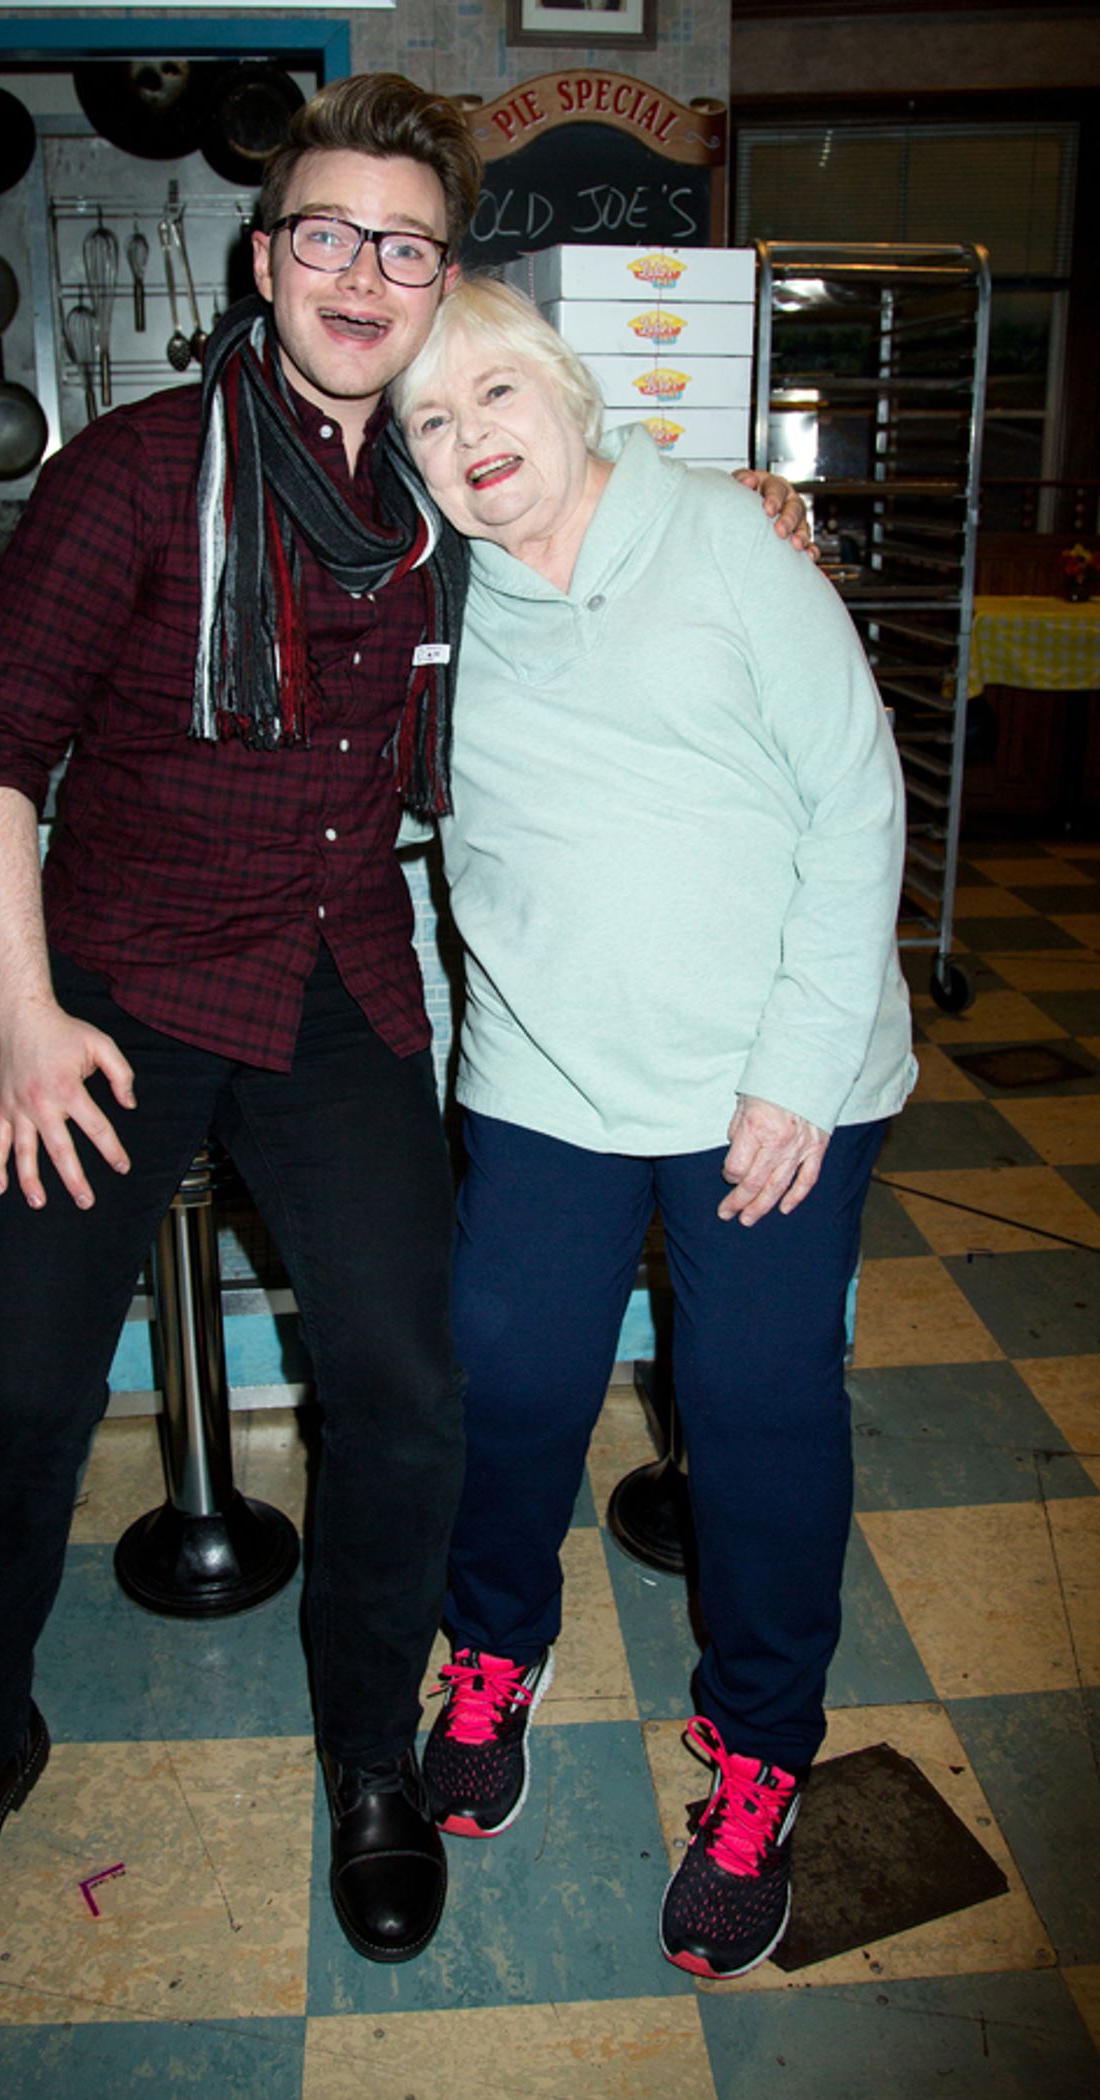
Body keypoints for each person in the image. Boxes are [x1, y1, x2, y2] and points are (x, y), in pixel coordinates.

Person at [0, 75, 807, 1997]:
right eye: (325, 235)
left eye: (402, 244)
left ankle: (374, 1754)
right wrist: (24, 1025)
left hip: (339, 981)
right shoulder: (130, 473)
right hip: (113, 985)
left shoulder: (448, 489)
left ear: (439, 276)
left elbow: (606, 534)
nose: (361, 274)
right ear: (262, 256)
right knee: (20, 1395)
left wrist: (744, 513)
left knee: (409, 1381)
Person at [391, 276, 916, 1980]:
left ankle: (761, 1747)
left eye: (492, 397)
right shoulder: (429, 598)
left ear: (564, 387)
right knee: (509, 1371)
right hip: (548, 1074)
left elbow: (857, 794)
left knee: (756, 1403)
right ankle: (492, 1654)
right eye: (428, 421)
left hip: (775, 1071)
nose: (469, 441)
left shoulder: (728, 542)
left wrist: (798, 1067)